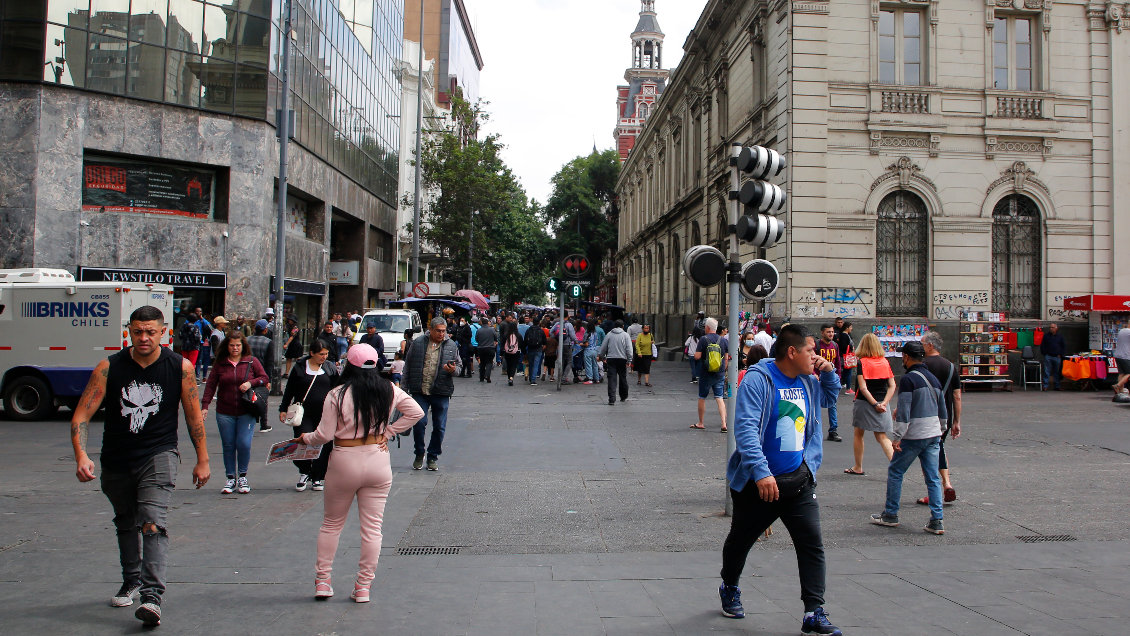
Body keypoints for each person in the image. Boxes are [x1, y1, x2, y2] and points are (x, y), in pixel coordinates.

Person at [70, 305, 210, 627]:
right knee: (125, 521)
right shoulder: (109, 368)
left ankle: (152, 597)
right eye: (137, 331)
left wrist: (202, 459)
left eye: (150, 331)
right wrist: (81, 454)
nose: (144, 337)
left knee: (152, 521)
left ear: (164, 332)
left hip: (159, 455)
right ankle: (131, 578)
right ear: (128, 332)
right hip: (117, 458)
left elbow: (192, 417)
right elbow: (81, 416)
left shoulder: (180, 367)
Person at [718, 324, 842, 636]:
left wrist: (828, 372)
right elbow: (745, 429)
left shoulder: (809, 380)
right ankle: (730, 585)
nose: (816, 355)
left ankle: (814, 610)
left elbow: (830, 399)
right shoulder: (760, 380)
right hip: (758, 485)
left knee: (812, 543)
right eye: (810, 350)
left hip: (799, 481)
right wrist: (761, 473)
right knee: (740, 541)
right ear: (792, 352)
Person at [295, 344, 425, 602]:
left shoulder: (338, 393)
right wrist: (388, 432)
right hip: (377, 459)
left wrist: (304, 439)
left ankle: (323, 581)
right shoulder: (388, 389)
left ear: (349, 366)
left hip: (344, 459)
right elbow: (417, 412)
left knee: (331, 524)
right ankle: (363, 587)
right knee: (373, 529)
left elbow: (324, 436)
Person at [870, 341, 947, 536]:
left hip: (914, 436)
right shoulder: (933, 379)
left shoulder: (908, 379)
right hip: (933, 434)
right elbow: (943, 411)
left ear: (905, 357)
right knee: (933, 477)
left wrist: (897, 437)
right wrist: (941, 429)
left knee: (896, 471)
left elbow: (904, 411)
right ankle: (937, 520)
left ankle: (891, 514)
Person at [201, 332, 270, 494]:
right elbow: (211, 385)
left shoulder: (251, 361)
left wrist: (250, 383)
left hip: (247, 410)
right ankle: (231, 478)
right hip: (225, 411)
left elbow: (264, 378)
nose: (235, 348)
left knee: (244, 444)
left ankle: (243, 476)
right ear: (227, 346)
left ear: (243, 346)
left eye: (238, 345)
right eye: (232, 345)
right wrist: (205, 405)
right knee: (229, 445)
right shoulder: (220, 364)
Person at [279, 339, 339, 491]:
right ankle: (304, 471)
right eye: (321, 354)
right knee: (302, 438)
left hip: (325, 413)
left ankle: (318, 476)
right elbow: (290, 390)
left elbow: (337, 390)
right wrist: (283, 408)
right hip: (303, 412)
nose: (324, 357)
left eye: (326, 354)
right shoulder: (300, 368)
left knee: (324, 443)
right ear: (311, 353)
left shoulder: (330, 368)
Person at [404, 318, 462, 471]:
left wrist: (452, 370)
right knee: (419, 422)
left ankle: (432, 456)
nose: (442, 334)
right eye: (438, 331)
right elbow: (408, 366)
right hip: (420, 390)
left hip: (441, 391)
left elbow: (459, 367)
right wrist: (403, 389)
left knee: (439, 426)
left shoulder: (451, 345)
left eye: (443, 331)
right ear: (430, 329)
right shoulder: (418, 343)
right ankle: (419, 453)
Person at [919, 331, 961, 506]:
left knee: (927, 454)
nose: (920, 348)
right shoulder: (951, 366)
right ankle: (947, 484)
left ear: (930, 345)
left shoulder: (922, 366)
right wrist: (956, 421)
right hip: (945, 416)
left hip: (926, 414)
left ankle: (934, 492)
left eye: (922, 344)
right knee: (938, 447)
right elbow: (957, 396)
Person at [844, 333, 895, 476]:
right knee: (882, 436)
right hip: (883, 401)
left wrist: (874, 404)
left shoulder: (862, 362)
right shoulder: (885, 362)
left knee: (858, 434)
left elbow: (863, 388)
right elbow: (892, 386)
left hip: (865, 402)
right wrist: (883, 403)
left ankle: (858, 466)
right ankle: (896, 466)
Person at [692, 318, 729, 432]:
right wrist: (723, 368)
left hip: (705, 373)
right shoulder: (723, 340)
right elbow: (726, 358)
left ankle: (701, 422)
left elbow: (697, 356)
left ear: (707, 327)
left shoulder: (703, 339)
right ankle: (723, 423)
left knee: (702, 397)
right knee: (720, 397)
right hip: (719, 373)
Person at [247, 319, 276, 433]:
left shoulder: (246, 340)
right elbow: (269, 363)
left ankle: (249, 421)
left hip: (247, 373)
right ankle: (263, 424)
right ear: (265, 330)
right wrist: (268, 379)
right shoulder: (268, 342)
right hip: (261, 374)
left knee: (247, 397)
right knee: (262, 398)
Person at [816, 325, 843, 442]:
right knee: (815, 404)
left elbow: (837, 362)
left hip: (830, 379)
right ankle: (814, 430)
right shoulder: (817, 345)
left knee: (832, 404)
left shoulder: (835, 345)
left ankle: (833, 430)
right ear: (822, 333)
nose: (831, 334)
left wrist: (839, 377)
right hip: (817, 379)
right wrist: (813, 374)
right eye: (828, 332)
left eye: (832, 332)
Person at [599, 319, 633, 404]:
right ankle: (623, 396)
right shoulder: (626, 335)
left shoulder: (609, 334)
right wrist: (629, 360)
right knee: (623, 378)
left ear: (614, 326)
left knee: (611, 379)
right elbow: (629, 349)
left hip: (611, 359)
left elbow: (603, 347)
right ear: (623, 326)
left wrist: (602, 357)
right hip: (622, 359)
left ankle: (612, 398)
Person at [1038, 322, 1066, 391]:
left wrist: (1061, 354)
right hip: (1048, 356)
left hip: (1057, 356)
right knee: (1046, 371)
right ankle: (1045, 385)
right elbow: (1042, 346)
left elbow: (1063, 346)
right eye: (1050, 327)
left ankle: (1057, 385)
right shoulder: (1046, 336)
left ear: (1056, 328)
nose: (1051, 329)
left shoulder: (1060, 336)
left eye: (1053, 327)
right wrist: (1045, 354)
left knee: (1056, 372)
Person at [500, 313, 522, 386]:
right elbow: (521, 344)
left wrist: (501, 353)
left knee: (509, 365)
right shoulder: (518, 335)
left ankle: (509, 377)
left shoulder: (506, 335)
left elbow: (502, 343)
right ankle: (511, 378)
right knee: (514, 365)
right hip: (516, 352)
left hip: (507, 352)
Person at [524, 317, 547, 386]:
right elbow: (544, 341)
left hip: (530, 349)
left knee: (531, 363)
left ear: (532, 321)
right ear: (539, 323)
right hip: (538, 349)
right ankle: (533, 379)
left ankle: (531, 377)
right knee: (536, 364)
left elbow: (525, 340)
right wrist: (542, 348)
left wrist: (524, 350)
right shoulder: (541, 331)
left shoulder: (529, 330)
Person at [475, 317, 498, 383]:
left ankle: (481, 377)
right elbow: (495, 337)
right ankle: (487, 375)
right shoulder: (492, 329)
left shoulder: (479, 330)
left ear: (481, 322)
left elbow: (476, 339)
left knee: (482, 363)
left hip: (481, 348)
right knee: (489, 362)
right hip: (490, 348)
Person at [835, 322, 855, 395]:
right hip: (846, 357)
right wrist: (850, 347)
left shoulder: (846, 335)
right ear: (847, 327)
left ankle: (842, 383)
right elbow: (843, 346)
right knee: (848, 371)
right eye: (850, 327)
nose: (851, 329)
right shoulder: (844, 335)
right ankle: (848, 388)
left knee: (845, 372)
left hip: (845, 356)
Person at [1115, 321, 1130, 399]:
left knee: (1122, 373)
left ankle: (1120, 391)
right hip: (1126, 356)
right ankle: (1117, 385)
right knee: (1129, 373)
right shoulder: (1129, 332)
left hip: (1118, 355)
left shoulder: (1122, 330)